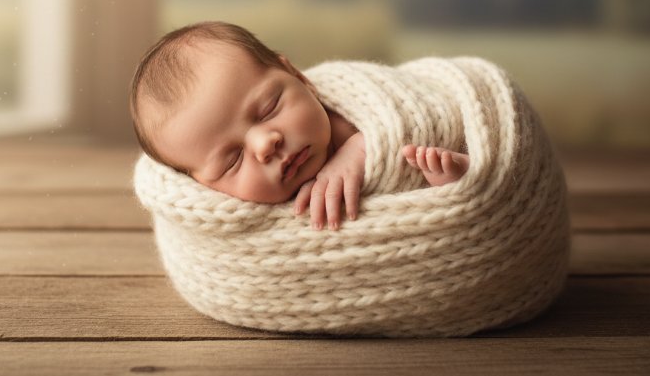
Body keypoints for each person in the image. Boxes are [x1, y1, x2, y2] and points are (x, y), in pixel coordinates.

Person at [129, 21, 470, 231]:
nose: (265, 144)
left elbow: (403, 124)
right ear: (203, 185)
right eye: (232, 160)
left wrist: (356, 151)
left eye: (268, 109)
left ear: (297, 77)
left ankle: (464, 177)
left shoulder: (341, 121)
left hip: (441, 136)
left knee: (436, 160)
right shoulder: (236, 216)